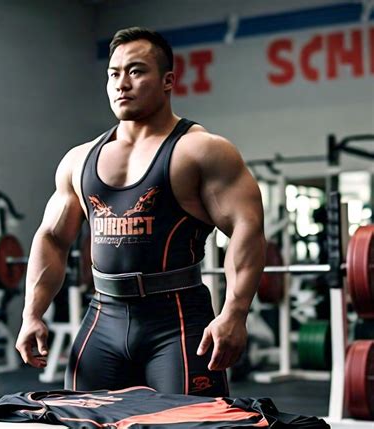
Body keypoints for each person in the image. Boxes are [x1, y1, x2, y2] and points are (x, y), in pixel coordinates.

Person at [16, 27, 266, 397]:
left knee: (190, 422)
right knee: (82, 419)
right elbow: (52, 238)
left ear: (168, 81)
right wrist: (32, 314)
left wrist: (234, 313)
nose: (122, 83)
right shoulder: (78, 160)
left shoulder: (201, 151)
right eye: (114, 73)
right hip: (103, 318)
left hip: (177, 323)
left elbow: (248, 228)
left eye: (136, 71)